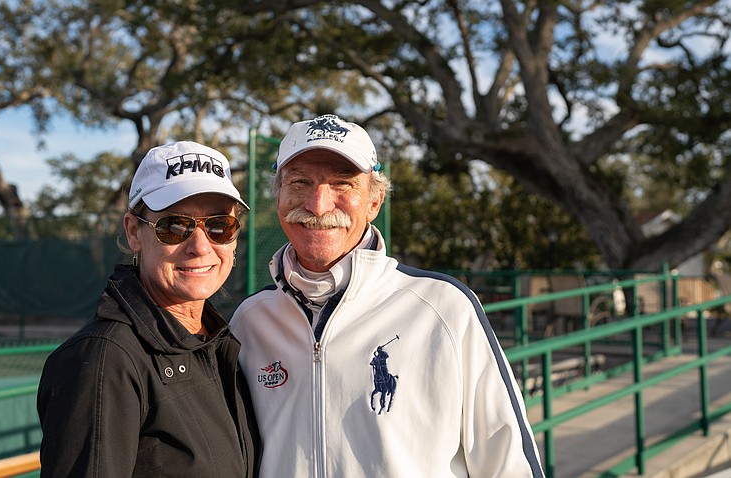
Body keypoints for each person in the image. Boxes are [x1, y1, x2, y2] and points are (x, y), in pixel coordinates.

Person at [230, 114, 544, 477]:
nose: (318, 204)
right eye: (300, 182)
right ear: (279, 196)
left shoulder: (444, 309)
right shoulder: (249, 321)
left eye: (342, 183)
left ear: (374, 202)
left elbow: (507, 463)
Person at [38, 141, 261, 477]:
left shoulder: (220, 342)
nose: (201, 247)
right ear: (134, 232)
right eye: (174, 226)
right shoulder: (105, 361)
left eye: (219, 226)